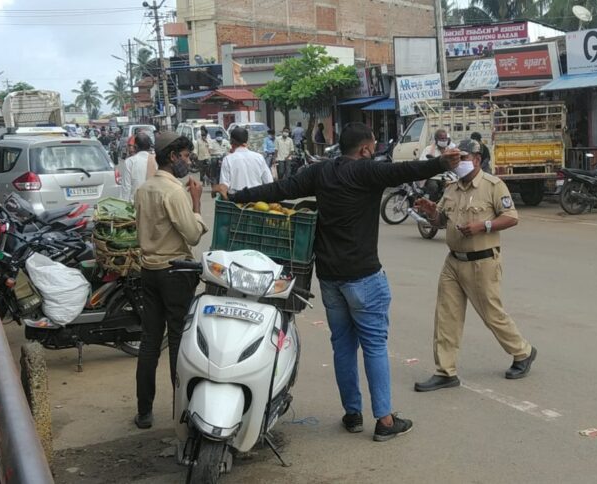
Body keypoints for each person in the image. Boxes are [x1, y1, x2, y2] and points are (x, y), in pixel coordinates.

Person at [212, 122, 461, 442]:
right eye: (372, 146)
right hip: (365, 277)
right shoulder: (368, 172)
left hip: (330, 279)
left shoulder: (321, 173)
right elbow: (407, 171)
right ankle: (384, 420)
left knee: (343, 346)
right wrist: (441, 163)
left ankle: (353, 414)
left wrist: (235, 196)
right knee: (374, 346)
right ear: (366, 150)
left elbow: (279, 189)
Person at [412, 139, 536, 392]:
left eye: (463, 158)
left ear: (477, 159)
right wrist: (430, 212)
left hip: (482, 261)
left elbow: (511, 218)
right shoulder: (452, 188)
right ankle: (445, 371)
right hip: (453, 261)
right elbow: (441, 221)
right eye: (456, 158)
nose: (459, 163)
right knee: (446, 316)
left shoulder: (493, 186)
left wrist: (484, 226)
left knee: (492, 314)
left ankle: (523, 352)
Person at [133, 133, 207, 429]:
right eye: (187, 156)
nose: (188, 161)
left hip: (149, 270)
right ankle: (182, 408)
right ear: (173, 156)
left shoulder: (144, 189)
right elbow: (192, 234)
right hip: (174, 273)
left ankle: (144, 411)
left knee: (150, 341)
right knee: (177, 339)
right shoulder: (174, 192)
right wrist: (197, 204)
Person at [220, 126, 274, 191]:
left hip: (237, 198)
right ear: (246, 140)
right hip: (256, 198)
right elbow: (269, 181)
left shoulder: (228, 160)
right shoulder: (259, 157)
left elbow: (224, 185)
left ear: (231, 141)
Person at [119, 133, 157, 202]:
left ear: (135, 147)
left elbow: (126, 188)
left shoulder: (130, 162)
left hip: (135, 206)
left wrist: (123, 208)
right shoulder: (156, 161)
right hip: (152, 204)